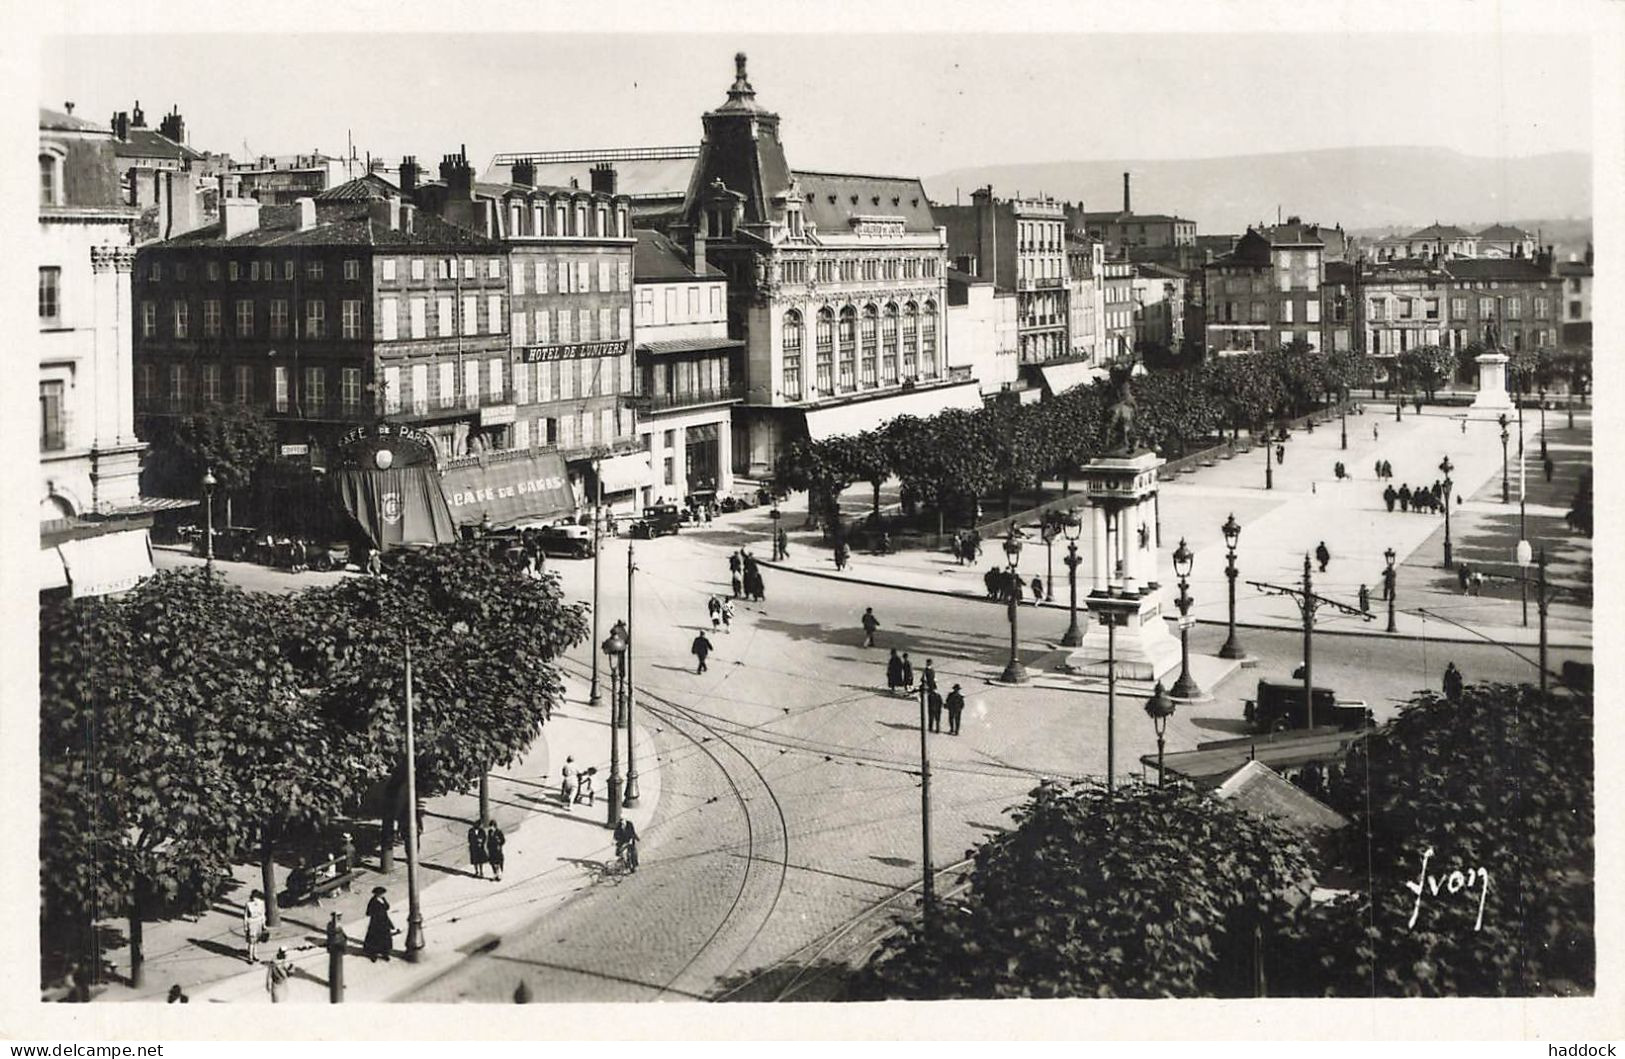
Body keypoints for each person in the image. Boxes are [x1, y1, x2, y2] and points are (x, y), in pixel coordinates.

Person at [363, 887, 396, 962]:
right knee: (375, 939)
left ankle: (385, 953)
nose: (383, 895)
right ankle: (373, 955)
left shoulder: (383, 899)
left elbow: (387, 907)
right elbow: (368, 913)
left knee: (385, 939)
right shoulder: (372, 901)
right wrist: (376, 913)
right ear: (377, 894)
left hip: (384, 922)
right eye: (381, 894)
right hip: (376, 924)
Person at [242, 891, 267, 963]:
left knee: (257, 940)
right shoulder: (248, 904)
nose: (255, 899)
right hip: (251, 923)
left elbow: (263, 914)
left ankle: (255, 955)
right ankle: (250, 957)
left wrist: (263, 924)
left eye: (256, 897)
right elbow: (246, 916)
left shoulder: (262, 903)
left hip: (258, 922)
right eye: (254, 897)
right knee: (251, 941)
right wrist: (245, 926)